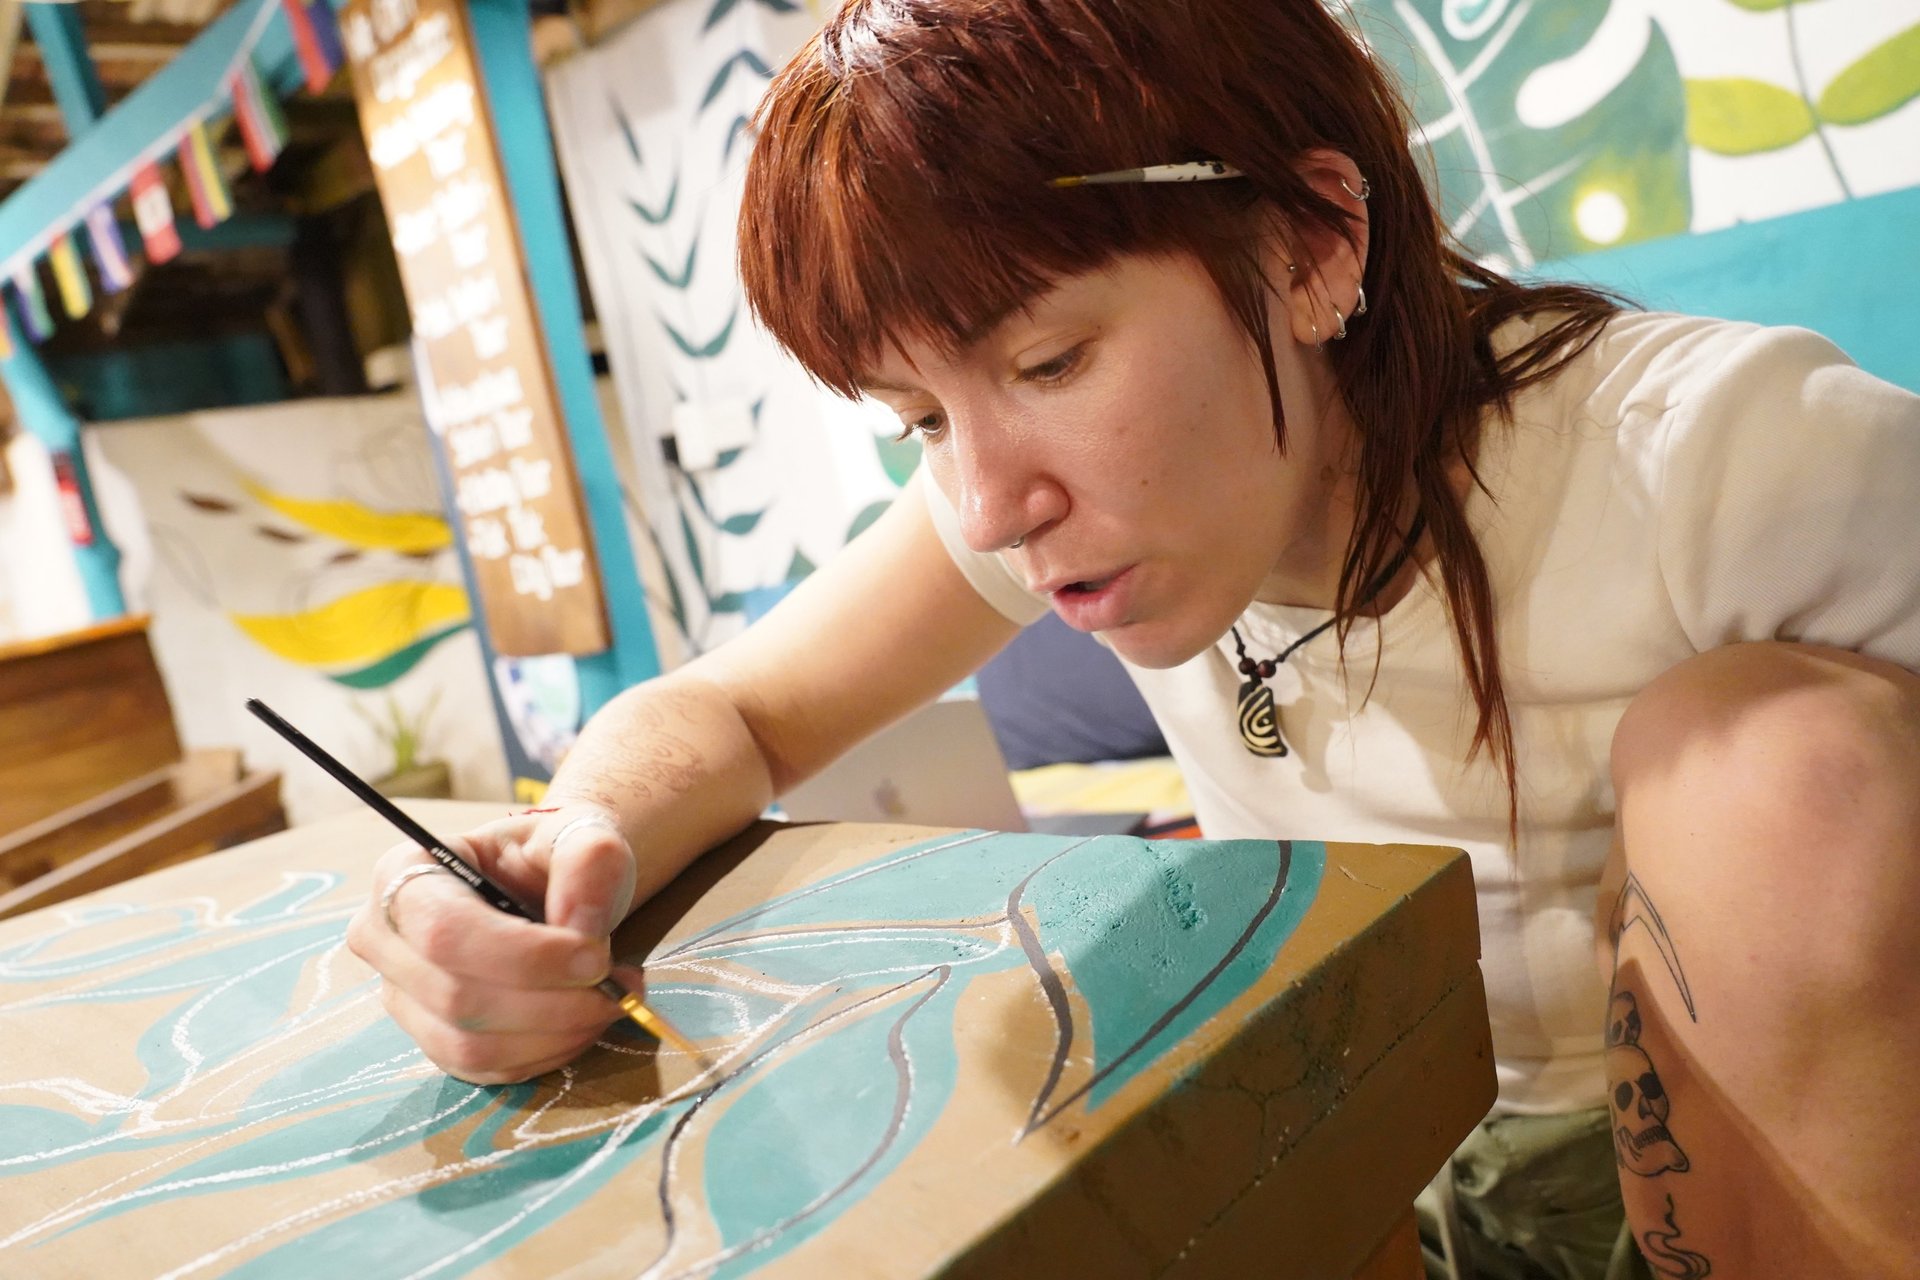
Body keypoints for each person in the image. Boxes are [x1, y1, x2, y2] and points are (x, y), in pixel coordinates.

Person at [344, 1, 1920, 1275]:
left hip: (1749, 1181)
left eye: (1046, 359)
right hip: (1389, 1130)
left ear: (1311, 243)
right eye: (915, 418)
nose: (986, 505)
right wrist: (574, 845)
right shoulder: (1060, 505)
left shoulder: (1713, 455)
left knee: (1777, 769)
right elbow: (737, 711)